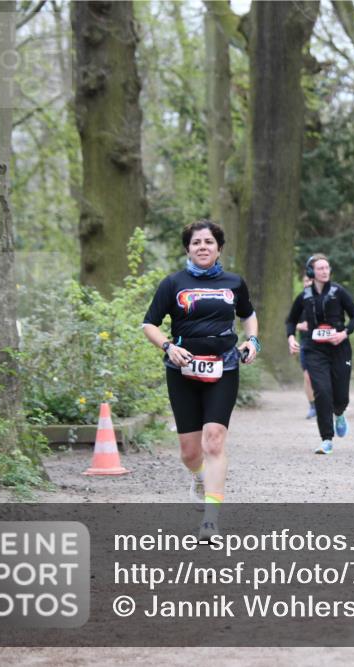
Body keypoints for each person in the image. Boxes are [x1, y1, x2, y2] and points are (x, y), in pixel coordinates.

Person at [142, 220, 258, 539]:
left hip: (224, 366)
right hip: (182, 370)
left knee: (214, 439)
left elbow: (248, 314)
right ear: (188, 249)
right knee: (190, 452)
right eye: (196, 243)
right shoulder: (172, 283)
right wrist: (168, 346)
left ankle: (210, 519)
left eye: (209, 241)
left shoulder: (234, 282)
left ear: (219, 247)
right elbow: (149, 324)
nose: (203, 247)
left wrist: (253, 341)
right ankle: (198, 475)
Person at [286, 254, 354, 454]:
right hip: (314, 350)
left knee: (340, 395)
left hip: (339, 348)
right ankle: (326, 439)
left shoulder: (339, 292)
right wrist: (291, 338)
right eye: (320, 268)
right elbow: (290, 320)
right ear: (311, 272)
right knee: (322, 392)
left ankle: (340, 412)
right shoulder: (305, 296)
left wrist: (344, 334)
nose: (325, 271)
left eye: (327, 267)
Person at [299, 275, 317, 420]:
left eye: (310, 280)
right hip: (306, 343)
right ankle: (313, 406)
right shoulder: (300, 301)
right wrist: (301, 326)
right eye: (305, 281)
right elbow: (291, 323)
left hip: (324, 344)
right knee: (307, 376)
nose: (308, 283)